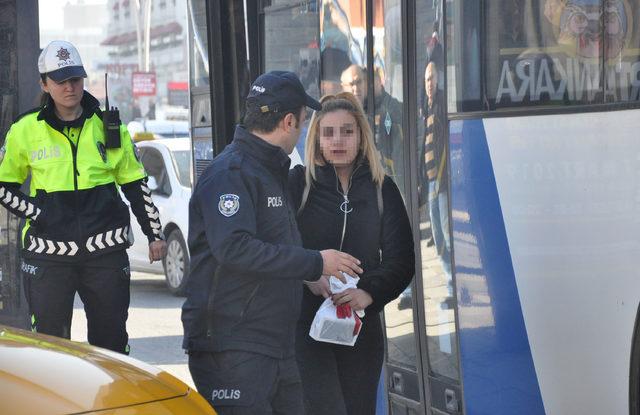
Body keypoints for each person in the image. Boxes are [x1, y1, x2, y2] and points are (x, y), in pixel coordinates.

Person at [182, 71, 364, 414]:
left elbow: (271, 244)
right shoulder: (231, 174)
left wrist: (308, 276)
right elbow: (234, 249)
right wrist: (315, 262)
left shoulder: (268, 170)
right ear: (289, 121)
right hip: (232, 346)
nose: (303, 131)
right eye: (305, 121)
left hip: (272, 343)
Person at [0, 40, 167, 353]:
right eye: (60, 81)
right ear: (44, 84)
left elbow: (135, 183)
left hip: (105, 252)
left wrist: (154, 234)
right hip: (48, 255)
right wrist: (38, 213)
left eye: (75, 79)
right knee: (51, 348)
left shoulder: (108, 125)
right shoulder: (24, 129)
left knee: (112, 346)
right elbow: (2, 186)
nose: (70, 87)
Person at [289, 92, 415, 415]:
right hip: (307, 328)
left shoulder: (381, 188)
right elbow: (277, 248)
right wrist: (309, 273)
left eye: (347, 131)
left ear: (361, 136)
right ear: (317, 140)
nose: (338, 141)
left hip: (361, 329)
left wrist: (368, 294)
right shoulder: (298, 186)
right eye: (328, 133)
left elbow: (402, 261)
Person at [423, 61, 451, 277]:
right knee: (437, 234)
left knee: (447, 234)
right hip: (431, 180)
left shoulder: (441, 103)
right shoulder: (427, 105)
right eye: (426, 79)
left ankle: (453, 283)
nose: (429, 83)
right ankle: (450, 278)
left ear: (439, 79)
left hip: (442, 180)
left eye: (432, 78)